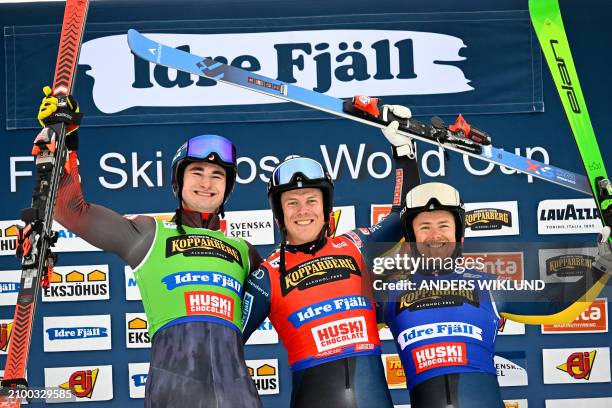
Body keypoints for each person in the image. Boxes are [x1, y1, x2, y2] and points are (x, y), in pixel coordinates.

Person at [35, 87, 262, 407]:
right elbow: (71, 211)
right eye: (196, 172)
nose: (207, 183)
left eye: (217, 176)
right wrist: (65, 139)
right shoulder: (149, 233)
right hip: (174, 393)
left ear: (227, 188)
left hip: (239, 395)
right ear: (178, 181)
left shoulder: (245, 251)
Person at [241, 105, 421, 407]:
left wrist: (403, 151)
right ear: (279, 216)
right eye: (292, 203)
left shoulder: (355, 245)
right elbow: (222, 346)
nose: (303, 210)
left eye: (312, 200)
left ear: (326, 211)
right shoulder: (266, 277)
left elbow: (403, 215)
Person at [379, 181, 612, 408]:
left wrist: (602, 265)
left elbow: (555, 306)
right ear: (410, 239)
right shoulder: (390, 292)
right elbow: (344, 310)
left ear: (459, 234)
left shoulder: (487, 285)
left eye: (444, 225)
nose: (435, 235)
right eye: (424, 227)